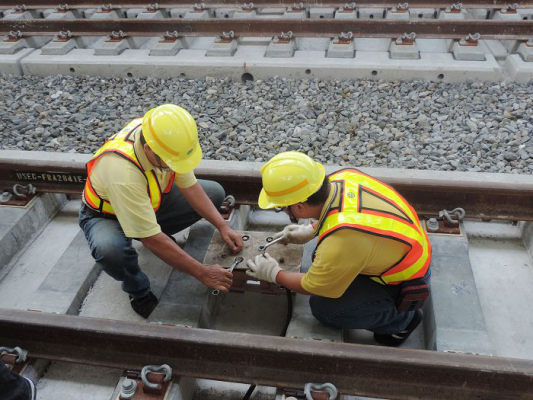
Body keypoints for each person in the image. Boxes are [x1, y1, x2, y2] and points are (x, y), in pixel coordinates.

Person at [246, 151, 431, 346]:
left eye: (283, 207)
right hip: (405, 247)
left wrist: (275, 274)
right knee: (328, 264)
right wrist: (310, 230)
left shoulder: (342, 242)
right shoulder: (342, 178)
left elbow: (315, 285)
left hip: (405, 279)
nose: (284, 211)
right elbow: (350, 212)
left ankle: (400, 320)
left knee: (325, 308)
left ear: (299, 207)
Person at [79, 104, 243, 318]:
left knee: (214, 193)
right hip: (107, 217)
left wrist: (222, 226)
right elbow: (150, 238)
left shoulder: (166, 140)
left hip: (147, 203)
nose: (175, 167)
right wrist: (203, 272)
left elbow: (190, 186)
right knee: (111, 250)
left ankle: (157, 232)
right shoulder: (123, 173)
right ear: (148, 150)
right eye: (170, 164)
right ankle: (138, 291)